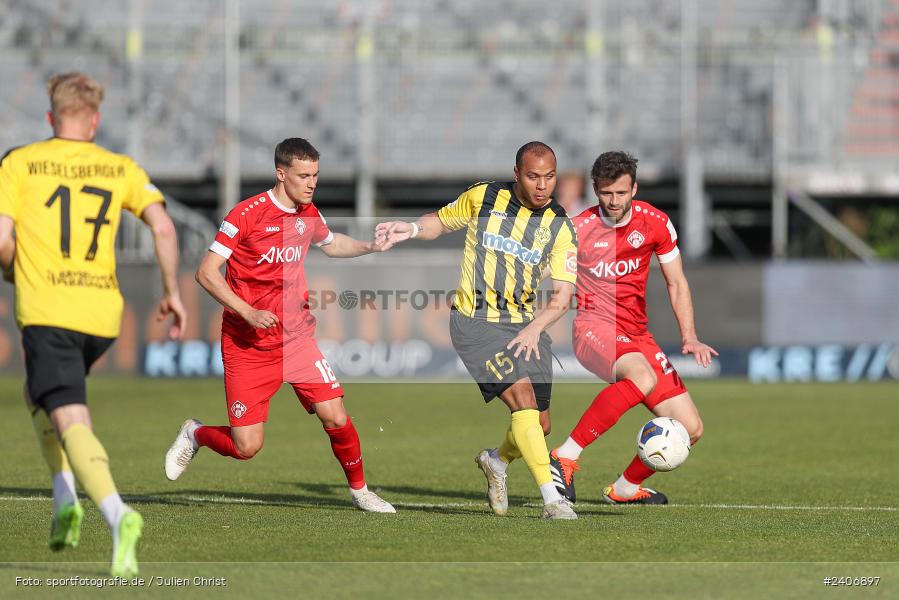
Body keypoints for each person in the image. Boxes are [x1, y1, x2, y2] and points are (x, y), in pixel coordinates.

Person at [0, 72, 187, 576]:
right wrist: (172, 292)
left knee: (69, 416)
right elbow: (164, 226)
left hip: (49, 310)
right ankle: (64, 498)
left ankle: (116, 513)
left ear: (50, 118)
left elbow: (1, 240)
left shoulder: (19, 162)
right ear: (95, 121)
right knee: (36, 394)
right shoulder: (119, 166)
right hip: (103, 314)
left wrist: (12, 269)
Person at [164, 138, 395, 513]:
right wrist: (247, 312)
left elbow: (332, 243)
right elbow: (206, 273)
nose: (311, 183)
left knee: (335, 413)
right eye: (304, 175)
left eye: (316, 175)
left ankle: (361, 491)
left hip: (296, 339)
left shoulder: (307, 213)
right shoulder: (245, 215)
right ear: (281, 173)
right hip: (248, 344)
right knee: (247, 447)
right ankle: (196, 433)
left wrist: (370, 246)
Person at [376, 142, 578, 519]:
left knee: (541, 424)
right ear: (517, 173)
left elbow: (563, 295)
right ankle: (553, 501)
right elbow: (441, 221)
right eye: (533, 176)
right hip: (475, 322)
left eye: (549, 177)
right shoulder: (484, 197)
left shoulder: (560, 225)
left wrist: (536, 328)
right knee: (524, 403)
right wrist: (411, 227)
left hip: (525, 326)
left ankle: (497, 462)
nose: (542, 186)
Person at [548, 151, 717, 505]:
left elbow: (677, 282)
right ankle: (565, 455)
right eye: (607, 193)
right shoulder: (576, 230)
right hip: (593, 328)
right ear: (595, 190)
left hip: (637, 335)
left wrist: (690, 335)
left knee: (690, 428)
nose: (614, 201)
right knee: (641, 377)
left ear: (634, 188)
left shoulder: (655, 223)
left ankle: (624, 488)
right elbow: (542, 272)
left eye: (622, 194)